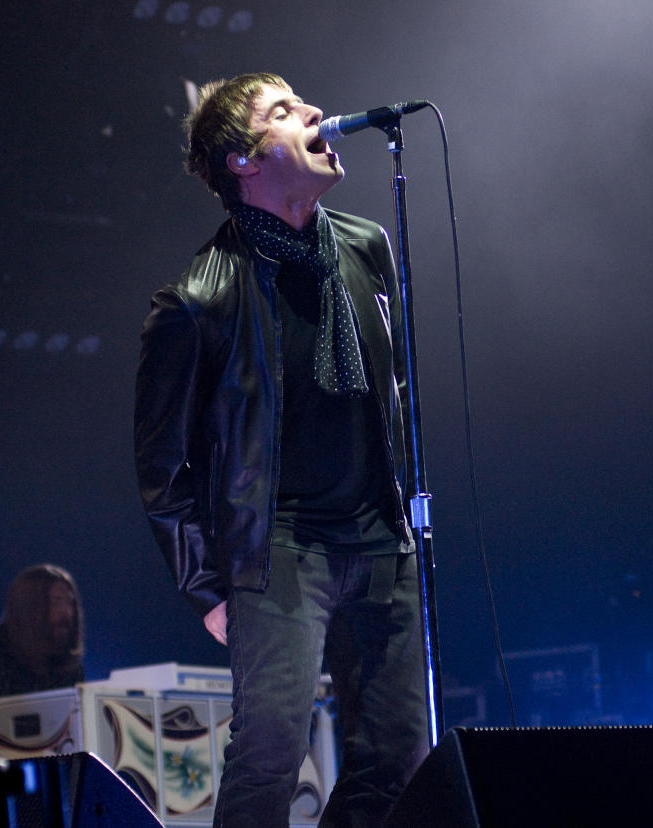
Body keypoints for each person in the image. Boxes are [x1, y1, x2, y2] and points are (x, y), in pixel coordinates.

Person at [134, 72, 428, 828]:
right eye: (284, 110)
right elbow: (161, 468)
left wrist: (404, 514)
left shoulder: (367, 248)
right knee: (270, 754)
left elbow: (393, 391)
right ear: (243, 160)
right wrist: (206, 591)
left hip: (378, 537)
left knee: (398, 759)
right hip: (281, 548)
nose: (315, 112)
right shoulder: (197, 298)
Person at [0, 564, 85, 726]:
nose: (67, 613)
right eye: (56, 602)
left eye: (70, 603)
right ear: (30, 606)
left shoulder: (66, 659)